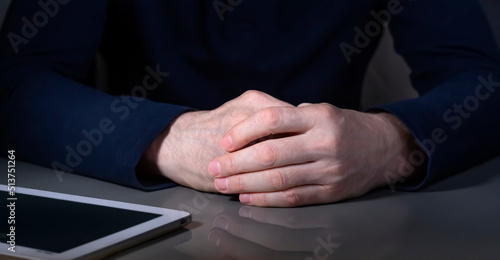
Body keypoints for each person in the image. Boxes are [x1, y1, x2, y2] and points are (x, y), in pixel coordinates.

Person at [1, 0, 499, 207]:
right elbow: (15, 84)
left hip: (340, 206)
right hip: (140, 206)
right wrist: (165, 138)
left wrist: (389, 144)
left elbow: (485, 81)